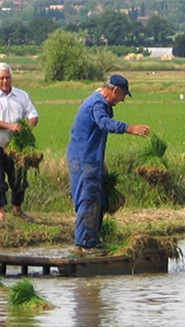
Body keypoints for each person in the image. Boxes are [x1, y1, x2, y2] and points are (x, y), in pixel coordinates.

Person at [67, 74, 150, 256]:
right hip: (83, 160)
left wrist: (100, 162)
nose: (122, 100)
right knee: (87, 199)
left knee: (97, 199)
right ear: (115, 90)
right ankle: (85, 244)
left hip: (90, 159)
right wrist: (131, 128)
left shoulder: (99, 102)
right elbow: (104, 123)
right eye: (122, 96)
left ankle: (91, 240)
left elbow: (94, 135)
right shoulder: (97, 104)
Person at [0, 62, 39, 222]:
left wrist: (28, 126)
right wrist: (9, 126)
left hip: (15, 147)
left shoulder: (21, 95)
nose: (5, 81)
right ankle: (1, 213)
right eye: (1, 78)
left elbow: (32, 114)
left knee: (19, 179)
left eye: (8, 77)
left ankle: (18, 209)